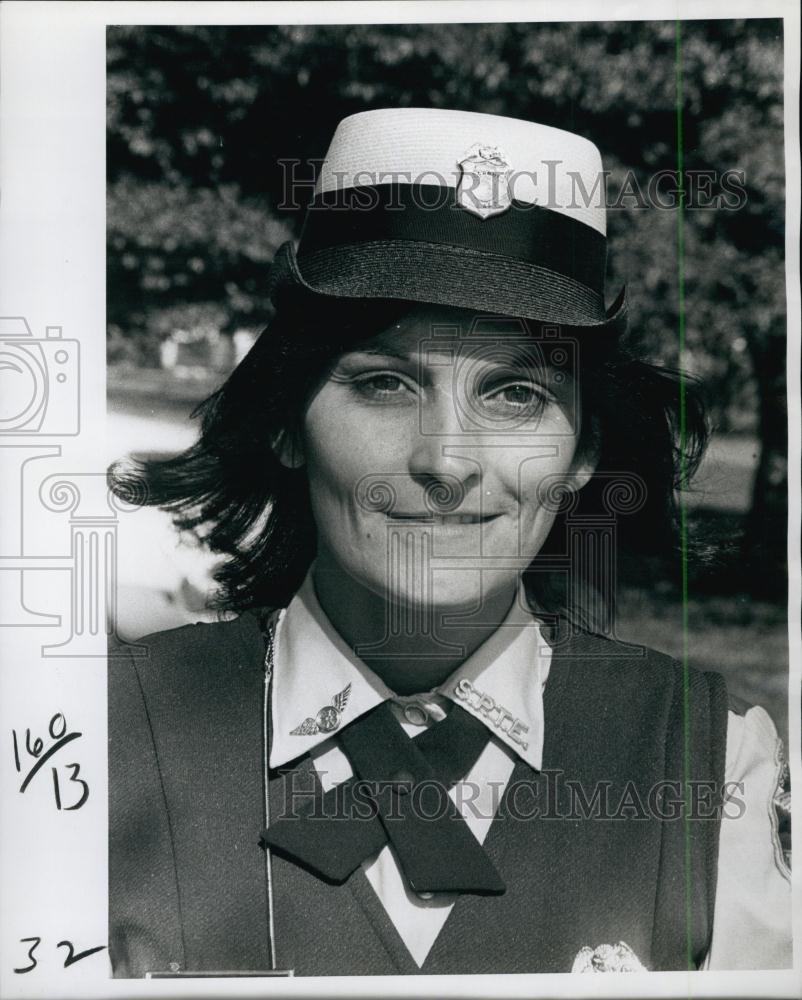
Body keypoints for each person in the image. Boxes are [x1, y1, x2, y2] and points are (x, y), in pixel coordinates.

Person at [108, 108, 791, 977]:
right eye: (384, 383)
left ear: (583, 451)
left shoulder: (712, 767)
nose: (446, 460)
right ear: (287, 420)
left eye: (516, 395)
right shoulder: (99, 735)